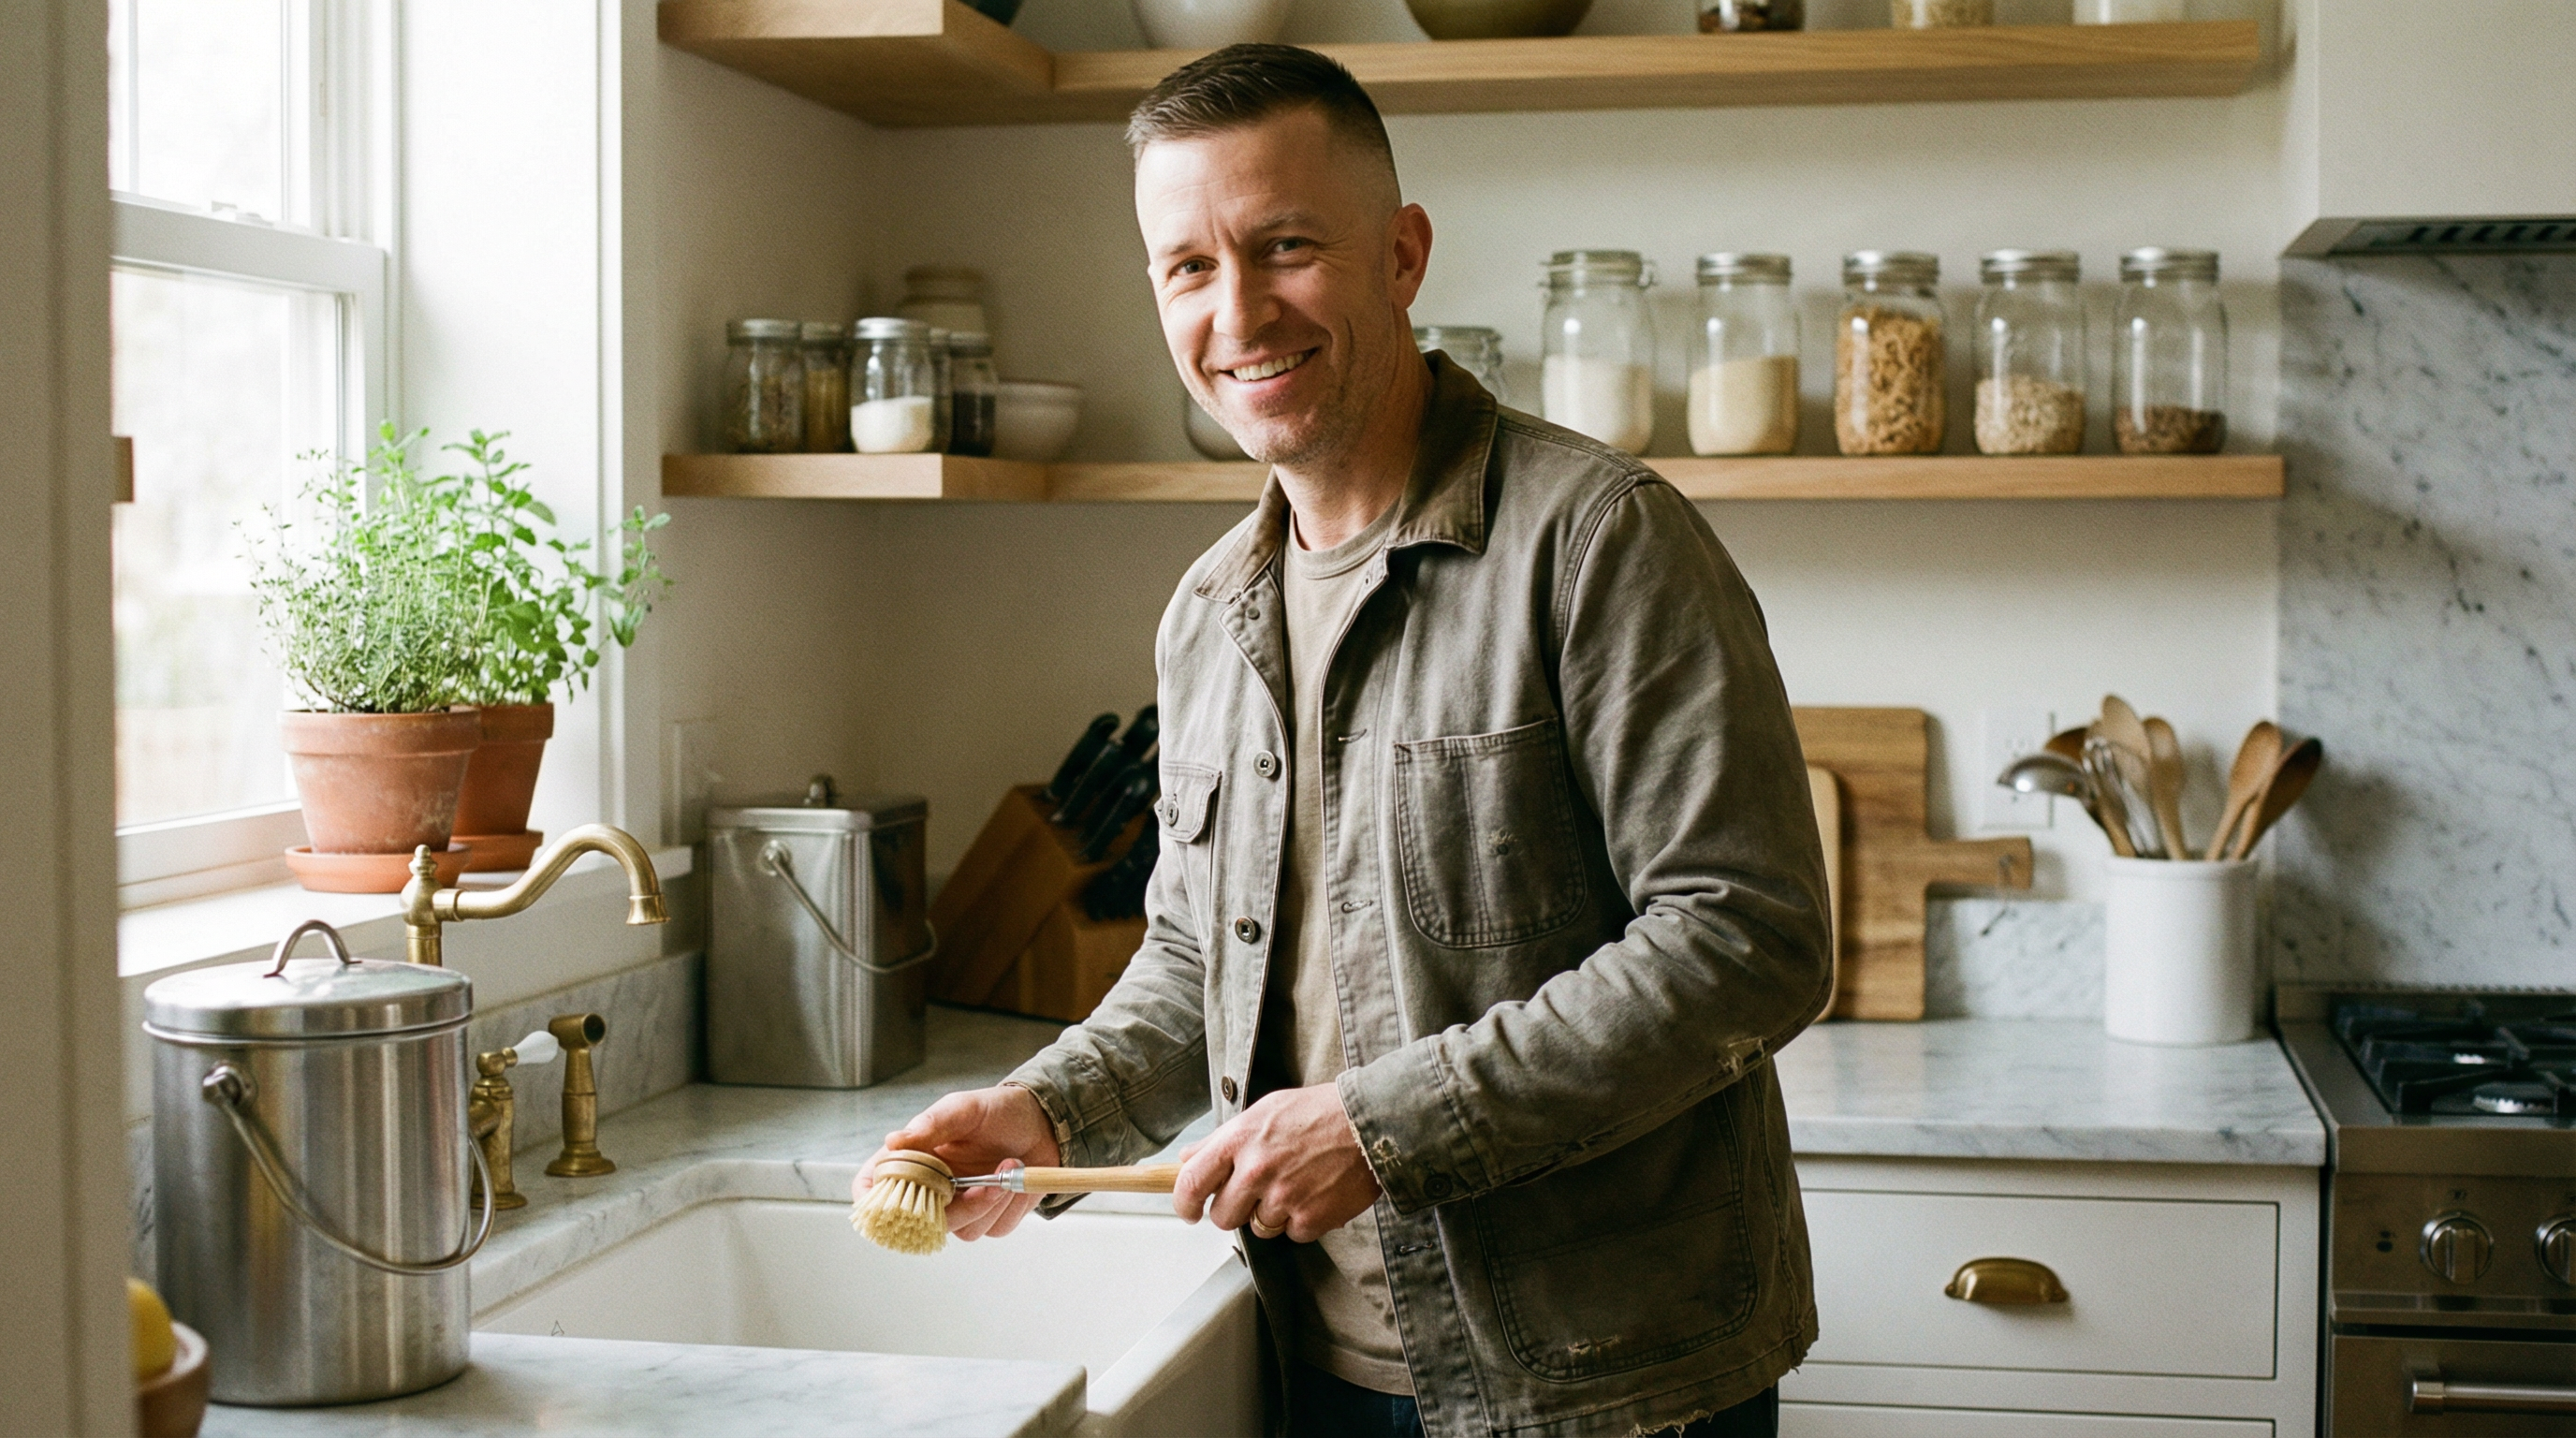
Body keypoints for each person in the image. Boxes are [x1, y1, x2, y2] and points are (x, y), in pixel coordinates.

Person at [858, 44, 1833, 1438]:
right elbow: (1202, 956)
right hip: (1314, 1363)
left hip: (1605, 1385)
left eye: (1287, 246)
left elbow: (1748, 938)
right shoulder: (1211, 612)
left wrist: (1385, 1131)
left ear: (1403, 255)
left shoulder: (1599, 540)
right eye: (1187, 267)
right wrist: (1049, 1115)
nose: (1238, 310)